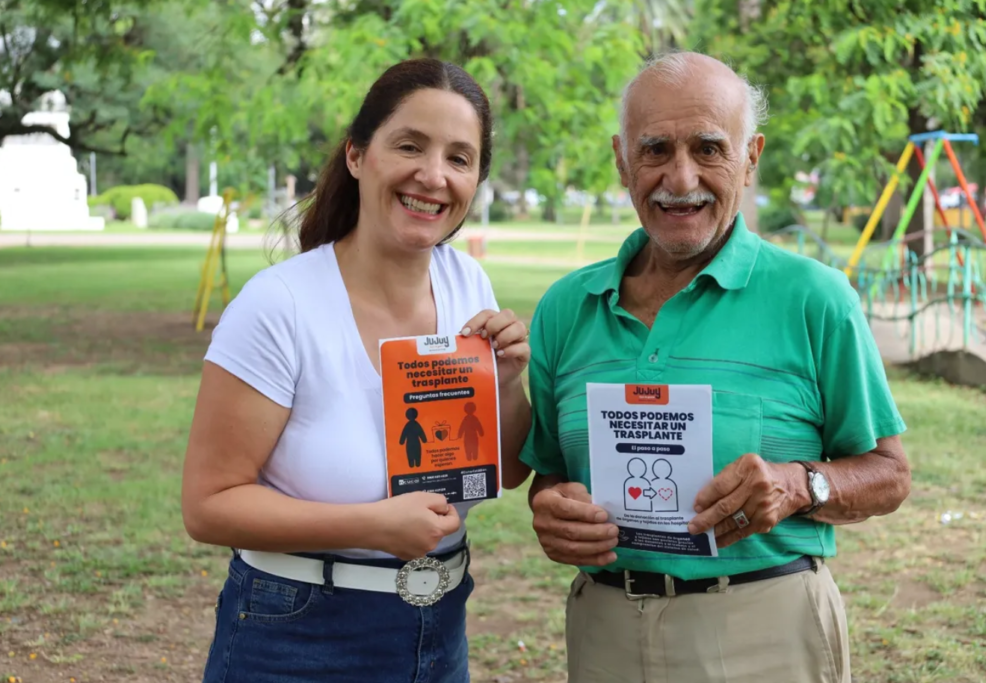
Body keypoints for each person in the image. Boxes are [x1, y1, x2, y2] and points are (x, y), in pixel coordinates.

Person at [521, 51, 911, 683]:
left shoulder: (814, 298)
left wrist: (797, 485)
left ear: (750, 157)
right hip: (604, 631)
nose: (681, 179)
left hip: (765, 630)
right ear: (621, 159)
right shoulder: (568, 307)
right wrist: (551, 508)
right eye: (654, 150)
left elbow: (889, 474)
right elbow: (550, 474)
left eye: (708, 148)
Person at [181, 58, 533, 683]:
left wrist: (505, 381)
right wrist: (372, 525)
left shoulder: (467, 283)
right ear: (356, 155)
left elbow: (504, 472)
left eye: (459, 158)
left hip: (438, 625)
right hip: (297, 636)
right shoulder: (279, 305)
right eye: (410, 146)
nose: (433, 176)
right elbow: (208, 506)